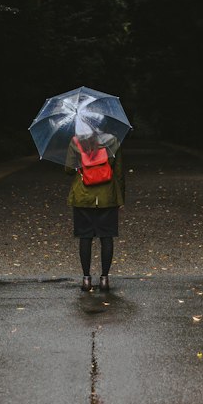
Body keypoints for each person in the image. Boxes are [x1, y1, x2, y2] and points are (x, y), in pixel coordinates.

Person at [66, 123, 125, 292]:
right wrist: (120, 197)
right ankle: (105, 279)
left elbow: (69, 170)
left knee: (85, 238)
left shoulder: (75, 142)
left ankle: (86, 279)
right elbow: (119, 172)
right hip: (107, 197)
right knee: (107, 238)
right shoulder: (113, 141)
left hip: (83, 197)